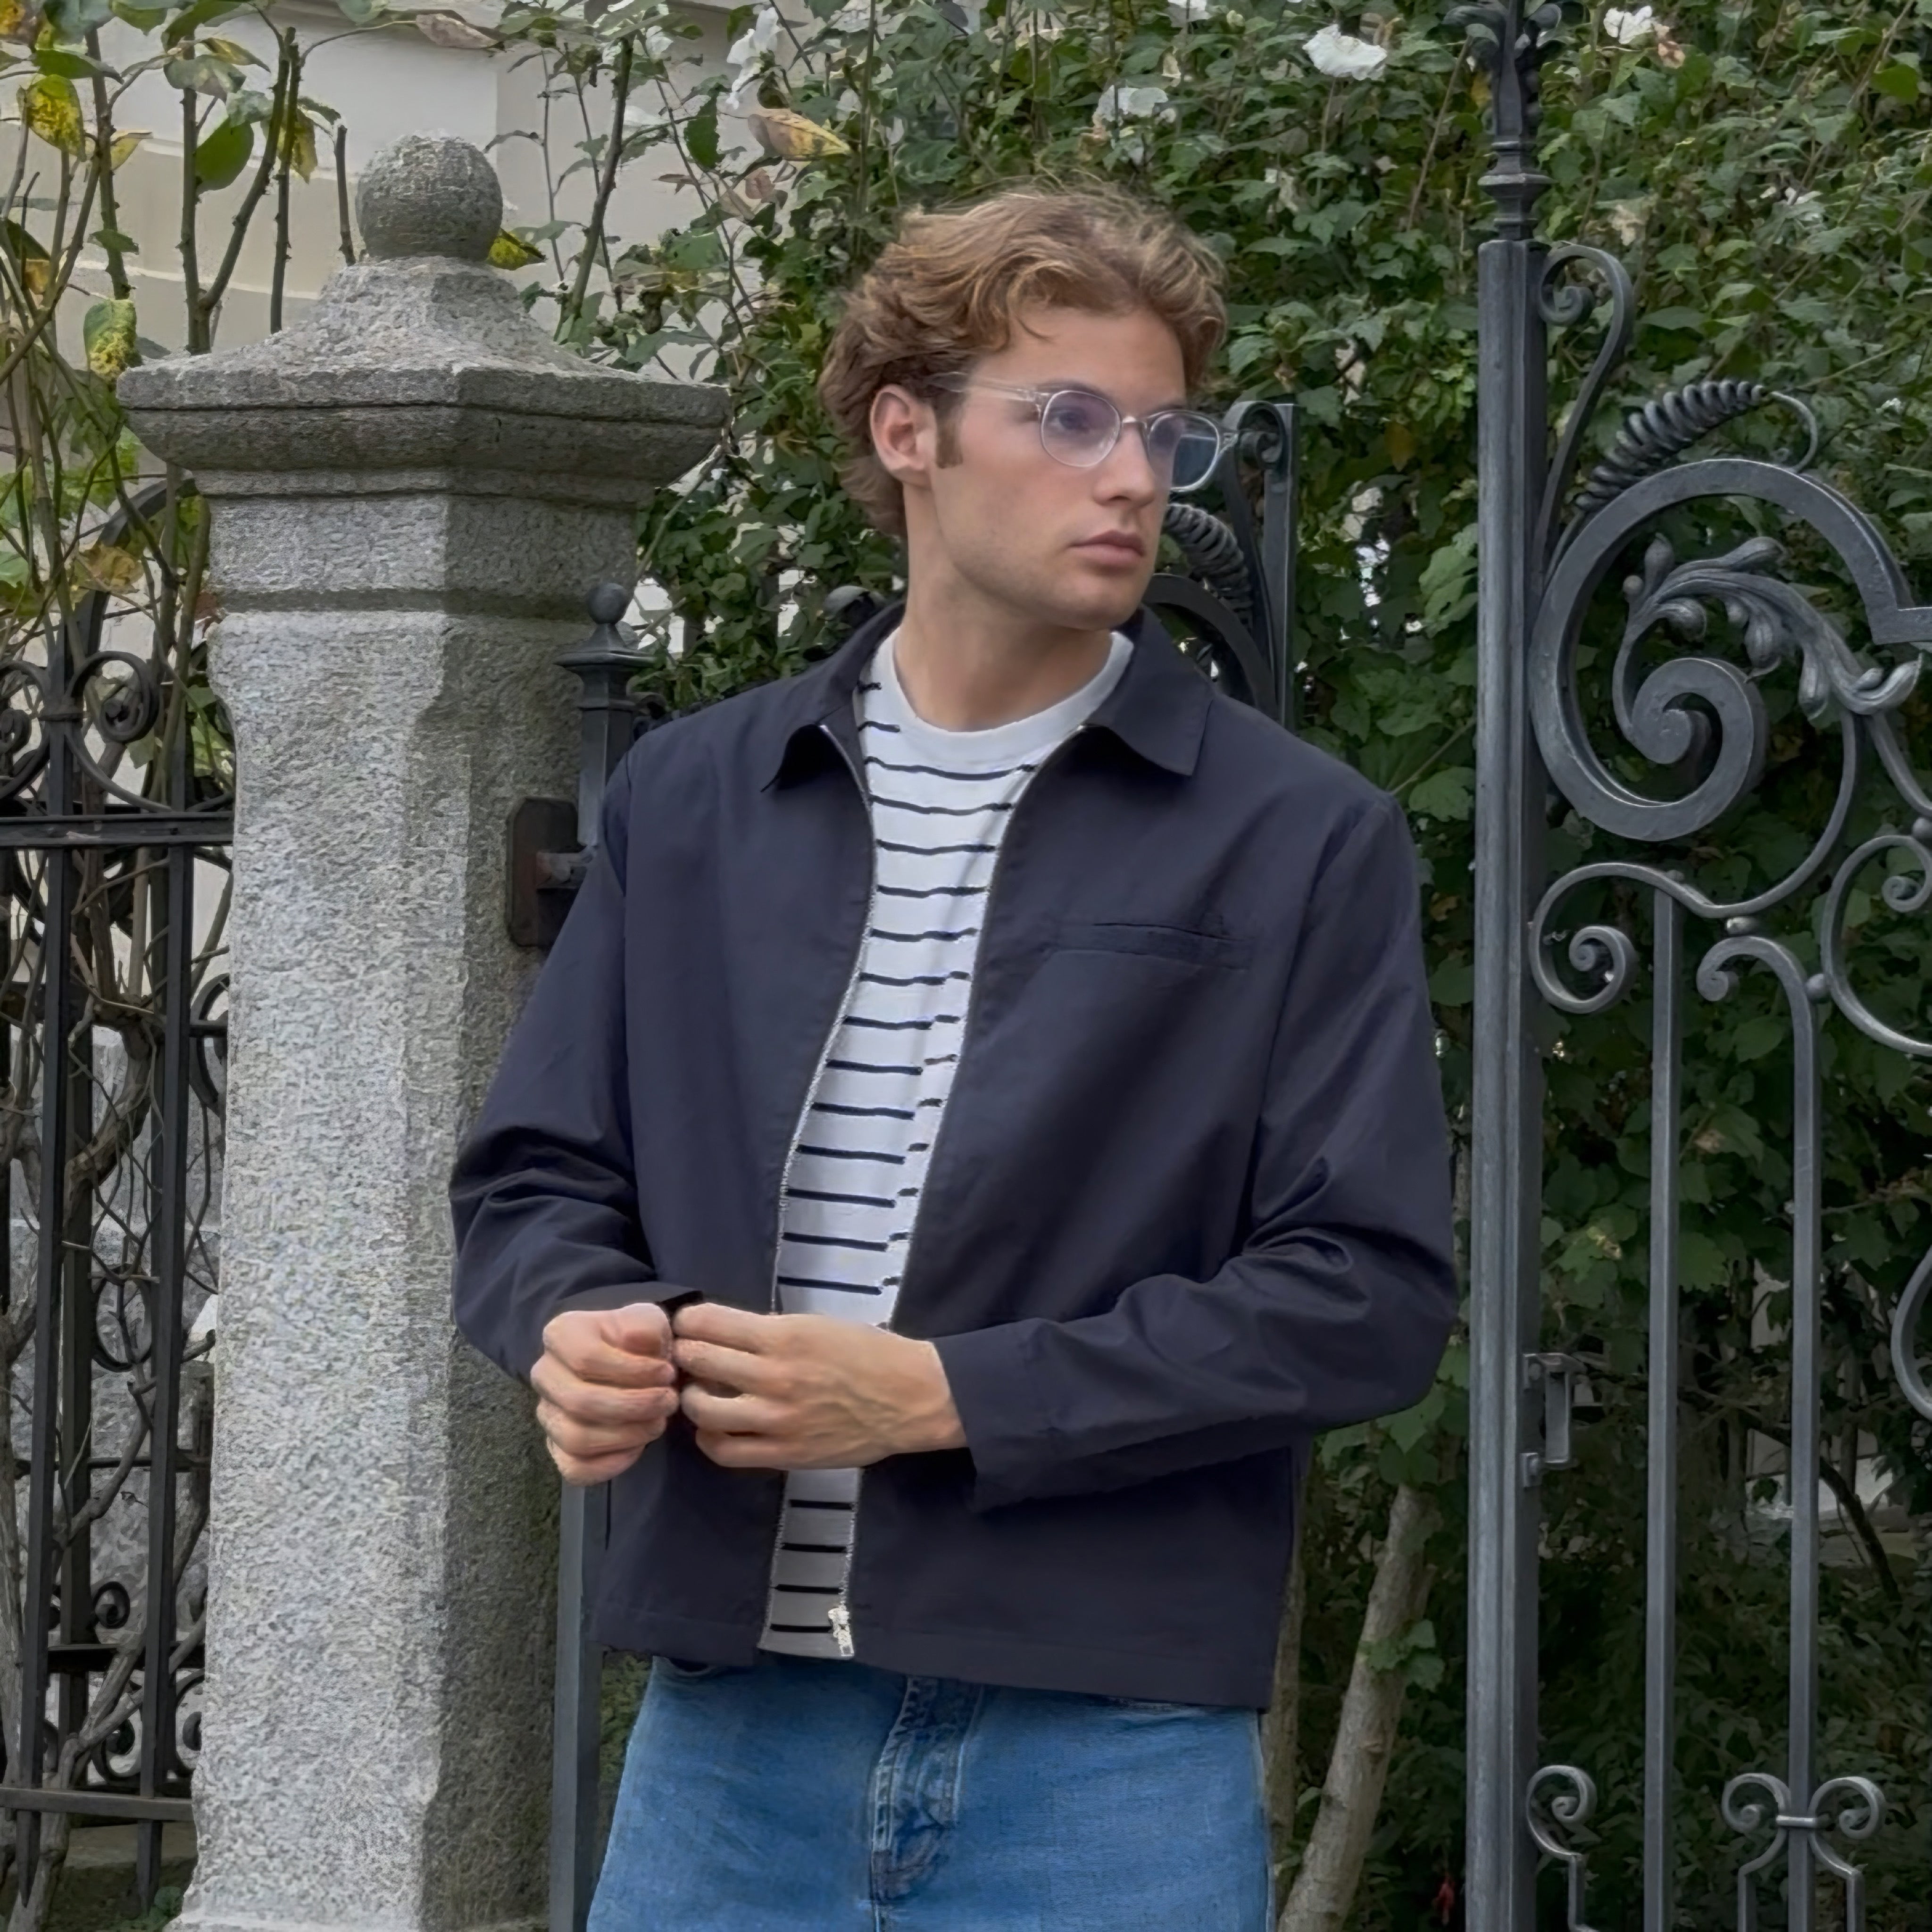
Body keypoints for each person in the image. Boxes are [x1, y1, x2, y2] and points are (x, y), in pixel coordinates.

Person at [448, 185, 1456, 1932]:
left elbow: (1365, 1293)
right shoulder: (699, 798)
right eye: (1071, 418)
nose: (1134, 478)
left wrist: (944, 1398)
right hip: (727, 1740)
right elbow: (536, 1173)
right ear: (907, 430)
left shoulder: (1299, 837)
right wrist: (579, 1324)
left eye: (1164, 434)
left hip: (1108, 1746)